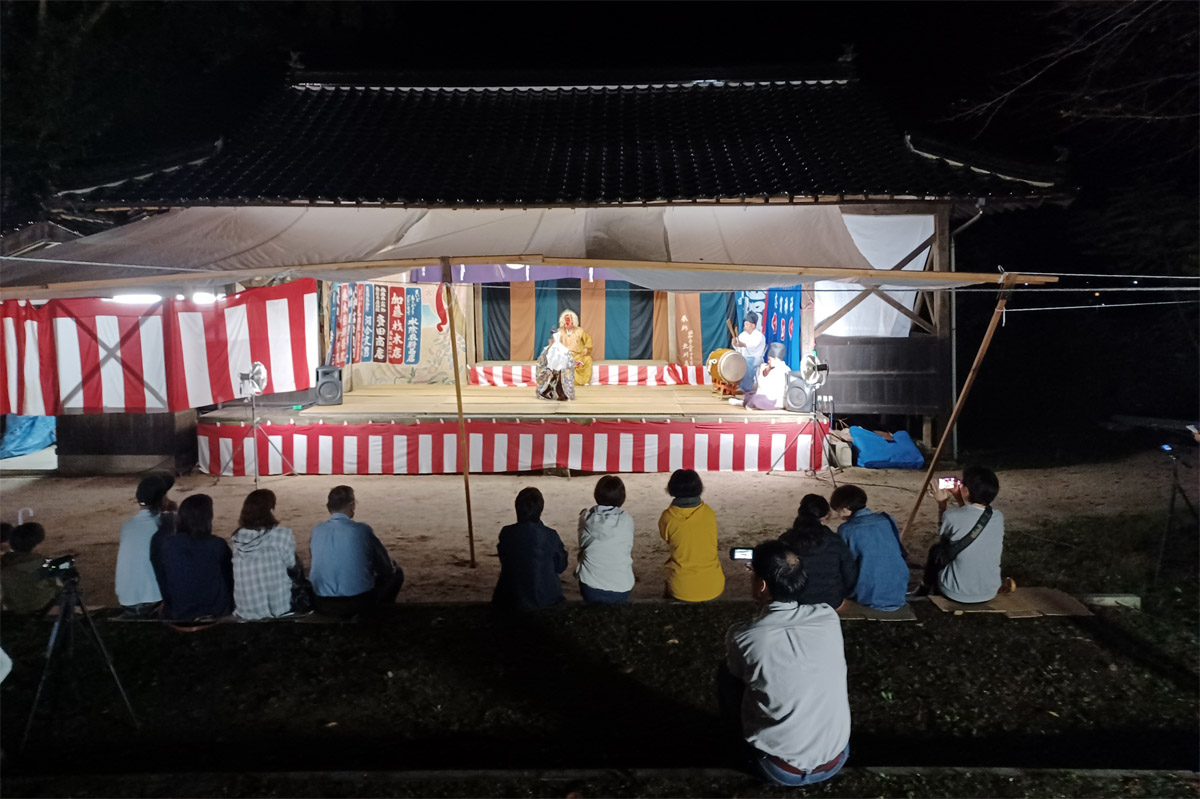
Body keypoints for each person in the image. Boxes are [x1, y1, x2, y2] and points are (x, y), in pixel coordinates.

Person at [720, 540, 851, 786]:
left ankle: (733, 740)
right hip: (836, 758)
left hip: (780, 768)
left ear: (762, 585)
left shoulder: (744, 636)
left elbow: (737, 677)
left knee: (728, 676)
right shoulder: (828, 616)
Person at [310, 485, 404, 619]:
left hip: (322, 603)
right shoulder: (362, 530)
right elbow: (386, 568)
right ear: (352, 505)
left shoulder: (317, 530)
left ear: (328, 507)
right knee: (396, 573)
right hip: (357, 603)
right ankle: (380, 617)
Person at [915, 467, 1007, 602]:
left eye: (963, 483)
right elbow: (971, 518)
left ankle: (926, 588)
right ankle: (926, 588)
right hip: (989, 590)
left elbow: (945, 539)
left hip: (956, 592)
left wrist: (942, 503)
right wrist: (959, 497)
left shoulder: (951, 516)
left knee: (937, 551)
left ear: (967, 490)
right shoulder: (998, 517)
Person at [150, 494, 234, 621]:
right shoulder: (218, 544)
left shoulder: (168, 544)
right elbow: (230, 578)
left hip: (179, 613)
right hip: (216, 612)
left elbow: (163, 578)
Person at [829, 485, 908, 611]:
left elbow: (846, 563)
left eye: (838, 510)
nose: (838, 514)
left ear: (847, 508)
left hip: (869, 593)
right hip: (899, 587)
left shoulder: (846, 529)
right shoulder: (887, 519)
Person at [493, 487, 569, 612]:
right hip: (547, 599)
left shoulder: (506, 533)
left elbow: (505, 560)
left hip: (510, 599)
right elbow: (561, 566)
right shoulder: (551, 535)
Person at [779, 494, 858, 609]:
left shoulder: (786, 540)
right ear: (826, 515)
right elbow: (849, 573)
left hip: (797, 601)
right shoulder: (834, 540)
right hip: (831, 601)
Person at [232, 489, 300, 619]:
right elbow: (291, 564)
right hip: (278, 609)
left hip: (245, 610)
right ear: (270, 510)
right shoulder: (282, 534)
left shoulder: (237, 538)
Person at [114, 473, 175, 618]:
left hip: (126, 600)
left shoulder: (127, 526)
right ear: (163, 499)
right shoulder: (165, 524)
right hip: (155, 600)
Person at [659, 469, 725, 602]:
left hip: (681, 588)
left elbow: (667, 538)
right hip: (714, 585)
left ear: (671, 488)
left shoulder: (667, 517)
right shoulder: (709, 513)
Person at [576, 475, 635, 605]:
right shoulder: (627, 520)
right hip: (622, 588)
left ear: (596, 494)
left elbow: (582, 545)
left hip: (590, 589)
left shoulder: (585, 519)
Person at [0, 523, 61, 614]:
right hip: (45, 613)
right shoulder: (47, 564)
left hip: (11, 616)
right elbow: (62, 586)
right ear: (36, 546)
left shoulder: (3, 567)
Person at [731, 342, 789, 411]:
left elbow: (763, 388)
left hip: (775, 401)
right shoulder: (783, 368)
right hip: (771, 398)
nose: (768, 362)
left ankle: (746, 404)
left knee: (757, 398)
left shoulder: (780, 370)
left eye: (769, 360)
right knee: (750, 393)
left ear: (776, 359)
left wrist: (760, 373)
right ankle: (744, 403)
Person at [535, 330, 576, 402]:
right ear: (550, 340)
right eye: (552, 340)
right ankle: (548, 390)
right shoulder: (547, 350)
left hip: (559, 374)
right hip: (548, 373)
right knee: (553, 375)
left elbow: (569, 363)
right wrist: (549, 370)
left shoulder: (562, 350)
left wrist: (559, 369)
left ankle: (560, 392)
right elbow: (541, 365)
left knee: (561, 374)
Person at [731, 311, 766, 394]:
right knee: (735, 360)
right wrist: (735, 343)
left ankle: (746, 387)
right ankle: (737, 384)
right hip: (744, 358)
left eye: (747, 324)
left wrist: (742, 344)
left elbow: (753, 346)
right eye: (744, 324)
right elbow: (738, 347)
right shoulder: (743, 335)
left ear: (753, 326)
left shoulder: (759, 335)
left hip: (755, 358)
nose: (745, 326)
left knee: (747, 361)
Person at [558, 310, 594, 386]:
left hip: (578, 356)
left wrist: (586, 348)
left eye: (569, 320)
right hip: (564, 356)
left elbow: (588, 339)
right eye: (566, 320)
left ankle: (584, 381)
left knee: (588, 359)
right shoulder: (559, 331)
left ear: (573, 321)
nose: (567, 322)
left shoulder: (580, 331)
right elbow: (554, 344)